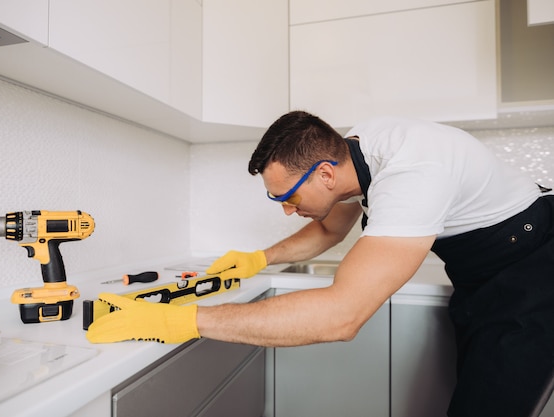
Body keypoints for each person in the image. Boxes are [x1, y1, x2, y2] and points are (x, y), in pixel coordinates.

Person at [87, 111, 554, 417]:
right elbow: (331, 229)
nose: (286, 210)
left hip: (531, 271)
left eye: (287, 198)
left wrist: (183, 319)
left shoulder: (413, 172)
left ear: (325, 173)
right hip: (481, 274)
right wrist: (257, 259)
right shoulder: (357, 151)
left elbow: (342, 315)